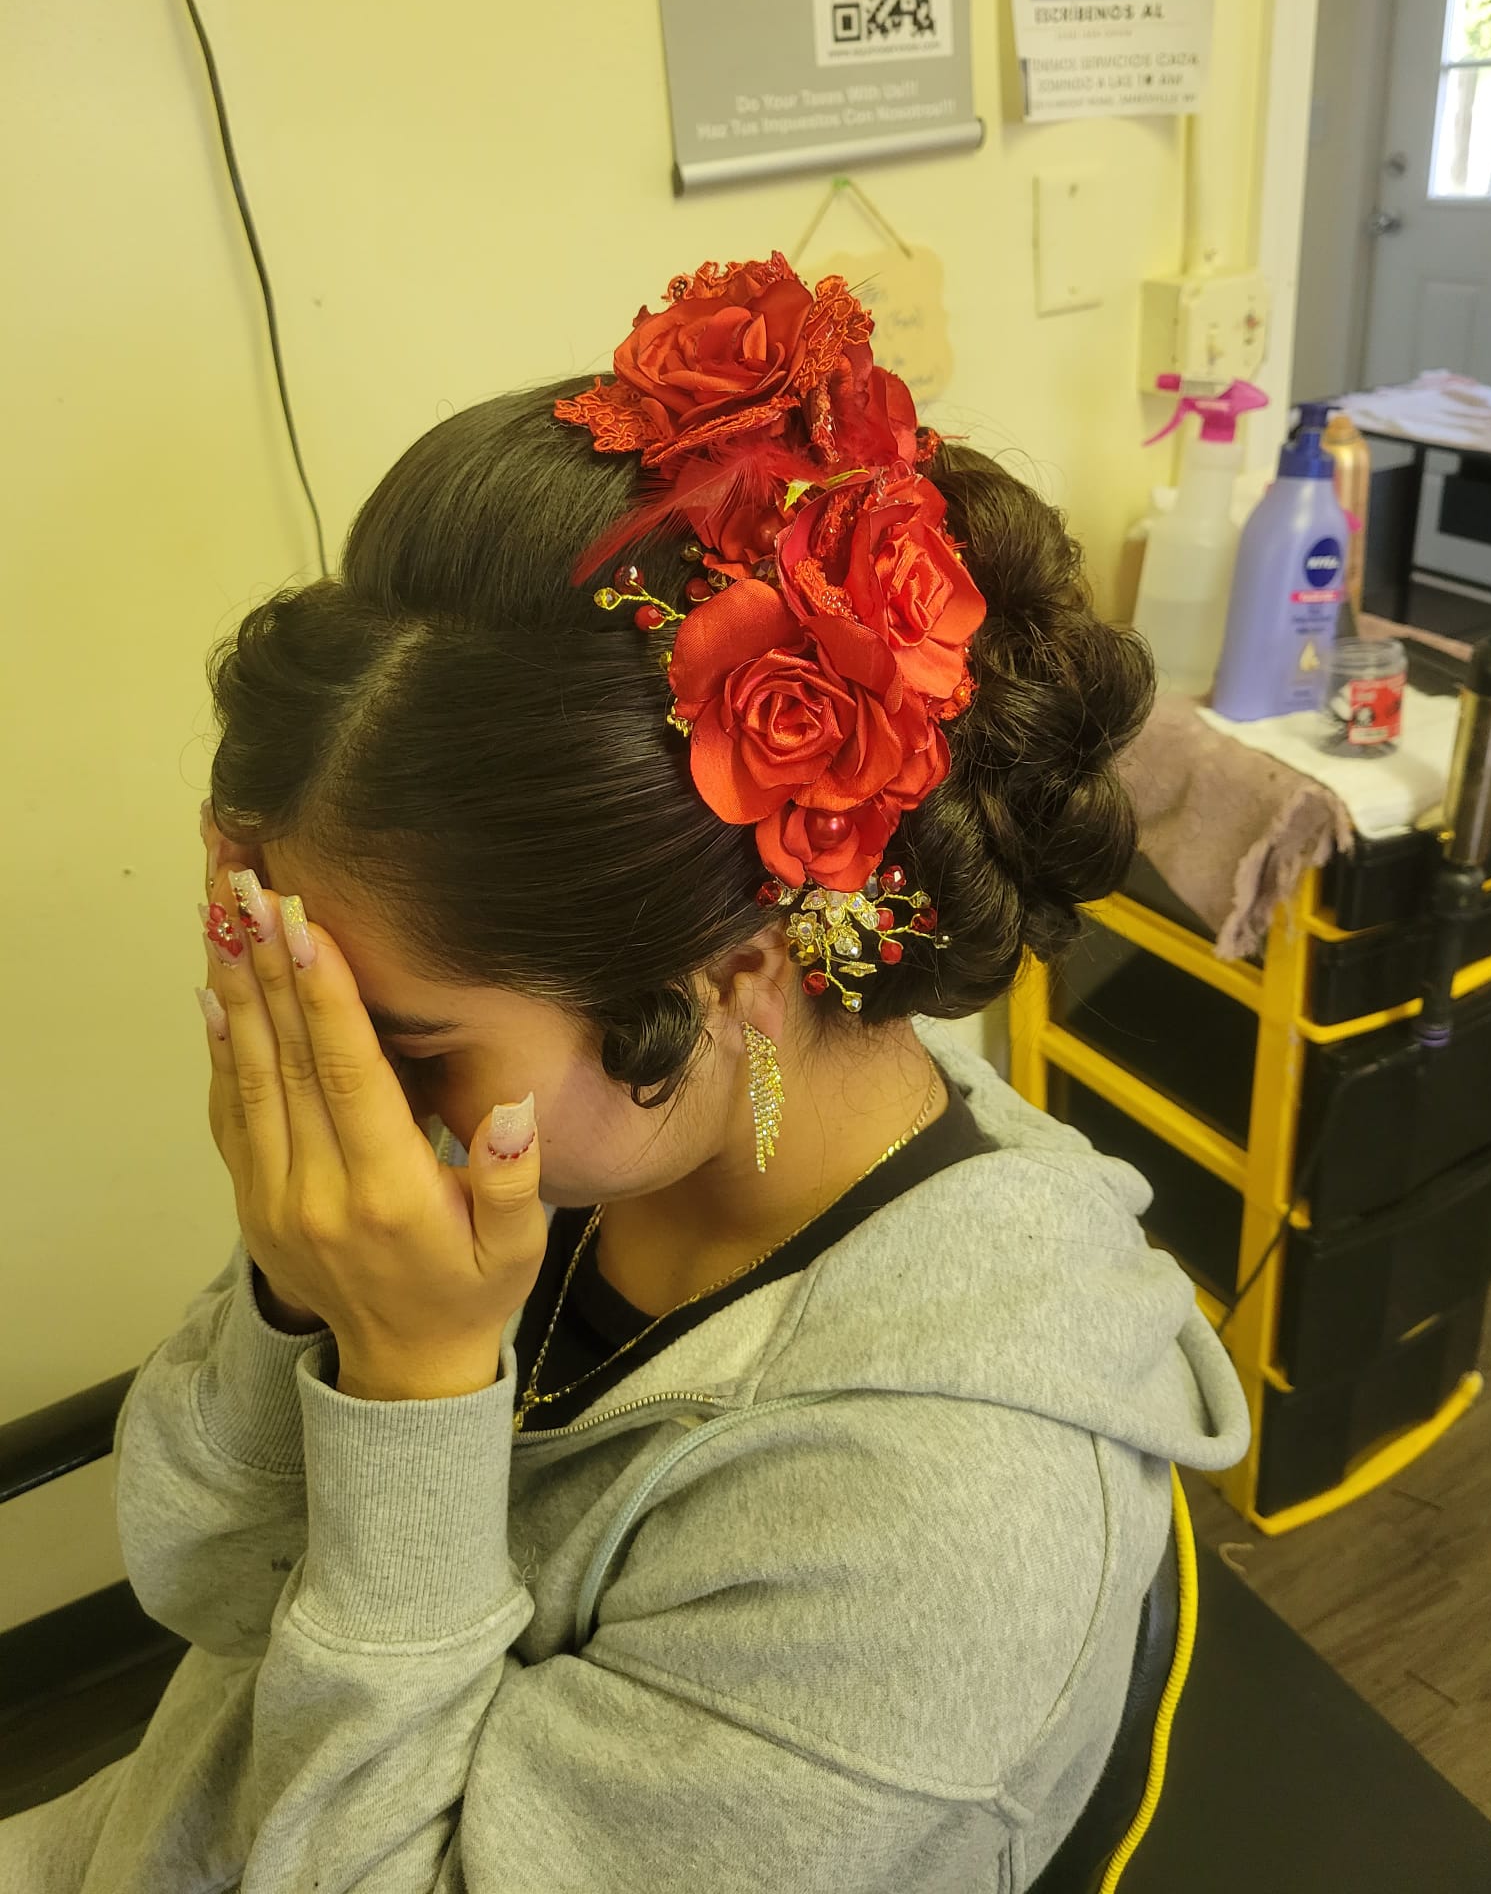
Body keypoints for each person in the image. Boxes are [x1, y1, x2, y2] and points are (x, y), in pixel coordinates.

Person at [1, 251, 1248, 1892]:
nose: (335, 1100)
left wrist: (414, 1387)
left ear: (732, 981)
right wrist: (312, 1301)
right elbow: (213, 1585)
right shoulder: (562, 1142)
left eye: (402, 1044)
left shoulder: (939, 1521)